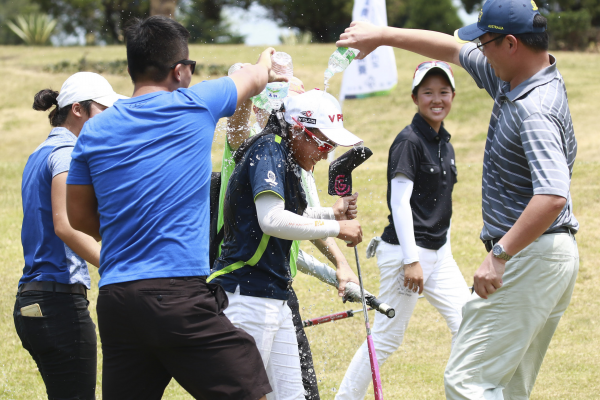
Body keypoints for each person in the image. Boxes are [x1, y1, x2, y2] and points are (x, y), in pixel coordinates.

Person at [336, 0, 579, 398]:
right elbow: (451, 49)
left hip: (532, 255)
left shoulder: (535, 107)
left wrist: (499, 254)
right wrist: (381, 37)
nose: (478, 50)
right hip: (547, 254)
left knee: (468, 381)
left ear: (511, 43)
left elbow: (552, 195)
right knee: (506, 384)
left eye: (485, 42)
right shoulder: (513, 77)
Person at [65, 16, 286, 400]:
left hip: (117, 301)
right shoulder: (196, 103)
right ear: (180, 70)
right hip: (177, 297)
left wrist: (131, 234)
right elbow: (257, 75)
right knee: (250, 391)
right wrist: (268, 58)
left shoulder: (94, 131)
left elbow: (79, 217)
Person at [209, 88, 364, 400]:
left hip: (273, 295)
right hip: (246, 295)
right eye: (324, 142)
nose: (327, 152)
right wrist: (336, 226)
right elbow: (272, 220)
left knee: (293, 396)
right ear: (299, 130)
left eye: (332, 145)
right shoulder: (269, 150)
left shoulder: (286, 156)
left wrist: (329, 212)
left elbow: (291, 214)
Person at [336, 61, 470, 399]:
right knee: (385, 339)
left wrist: (443, 255)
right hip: (407, 256)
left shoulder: (445, 143)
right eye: (428, 92)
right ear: (414, 97)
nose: (436, 99)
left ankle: (465, 392)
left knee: (469, 324)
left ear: (453, 95)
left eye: (443, 92)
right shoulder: (409, 141)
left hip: (438, 254)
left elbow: (443, 207)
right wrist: (412, 260)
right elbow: (400, 204)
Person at [15, 72, 124, 400]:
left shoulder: (39, 153)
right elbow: (65, 226)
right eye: (103, 110)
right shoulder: (67, 153)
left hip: (32, 304)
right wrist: (115, 265)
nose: (109, 119)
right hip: (59, 304)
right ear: (79, 109)